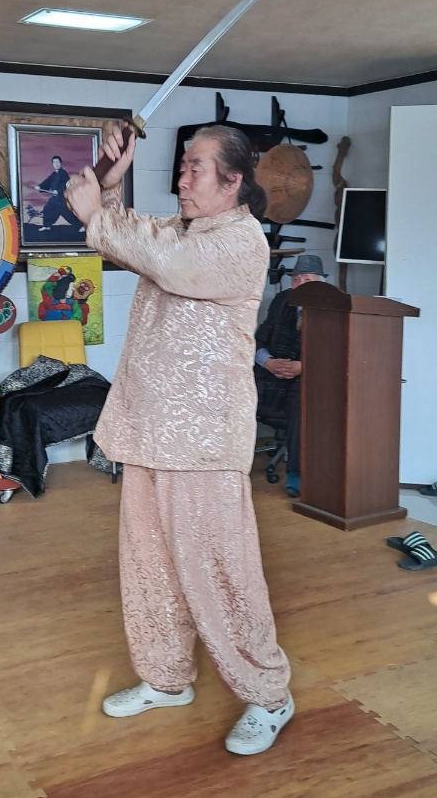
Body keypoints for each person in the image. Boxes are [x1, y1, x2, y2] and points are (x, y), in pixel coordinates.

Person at [64, 123, 294, 756]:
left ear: (233, 181)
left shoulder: (241, 242)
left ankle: (268, 695)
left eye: (196, 168)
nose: (182, 179)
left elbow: (168, 264)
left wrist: (97, 217)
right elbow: (138, 239)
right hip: (150, 428)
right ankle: (166, 678)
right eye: (183, 167)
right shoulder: (183, 230)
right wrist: (110, 184)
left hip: (203, 439)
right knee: (150, 567)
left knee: (219, 570)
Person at [255, 253, 326, 499]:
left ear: (320, 284)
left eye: (307, 280)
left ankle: (296, 472)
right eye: (296, 279)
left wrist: (304, 367)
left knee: (301, 403)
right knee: (237, 390)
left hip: (308, 375)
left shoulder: (332, 307)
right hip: (271, 371)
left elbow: (335, 353)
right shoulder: (282, 301)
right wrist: (268, 362)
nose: (299, 284)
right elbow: (259, 339)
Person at [38, 154, 84, 232]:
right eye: (54, 162)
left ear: (60, 163)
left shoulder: (63, 173)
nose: (56, 164)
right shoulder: (53, 175)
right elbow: (47, 182)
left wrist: (58, 191)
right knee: (47, 208)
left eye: (57, 162)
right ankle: (47, 226)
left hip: (62, 197)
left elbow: (66, 184)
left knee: (66, 212)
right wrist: (40, 186)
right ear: (52, 164)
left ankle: (80, 226)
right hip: (55, 198)